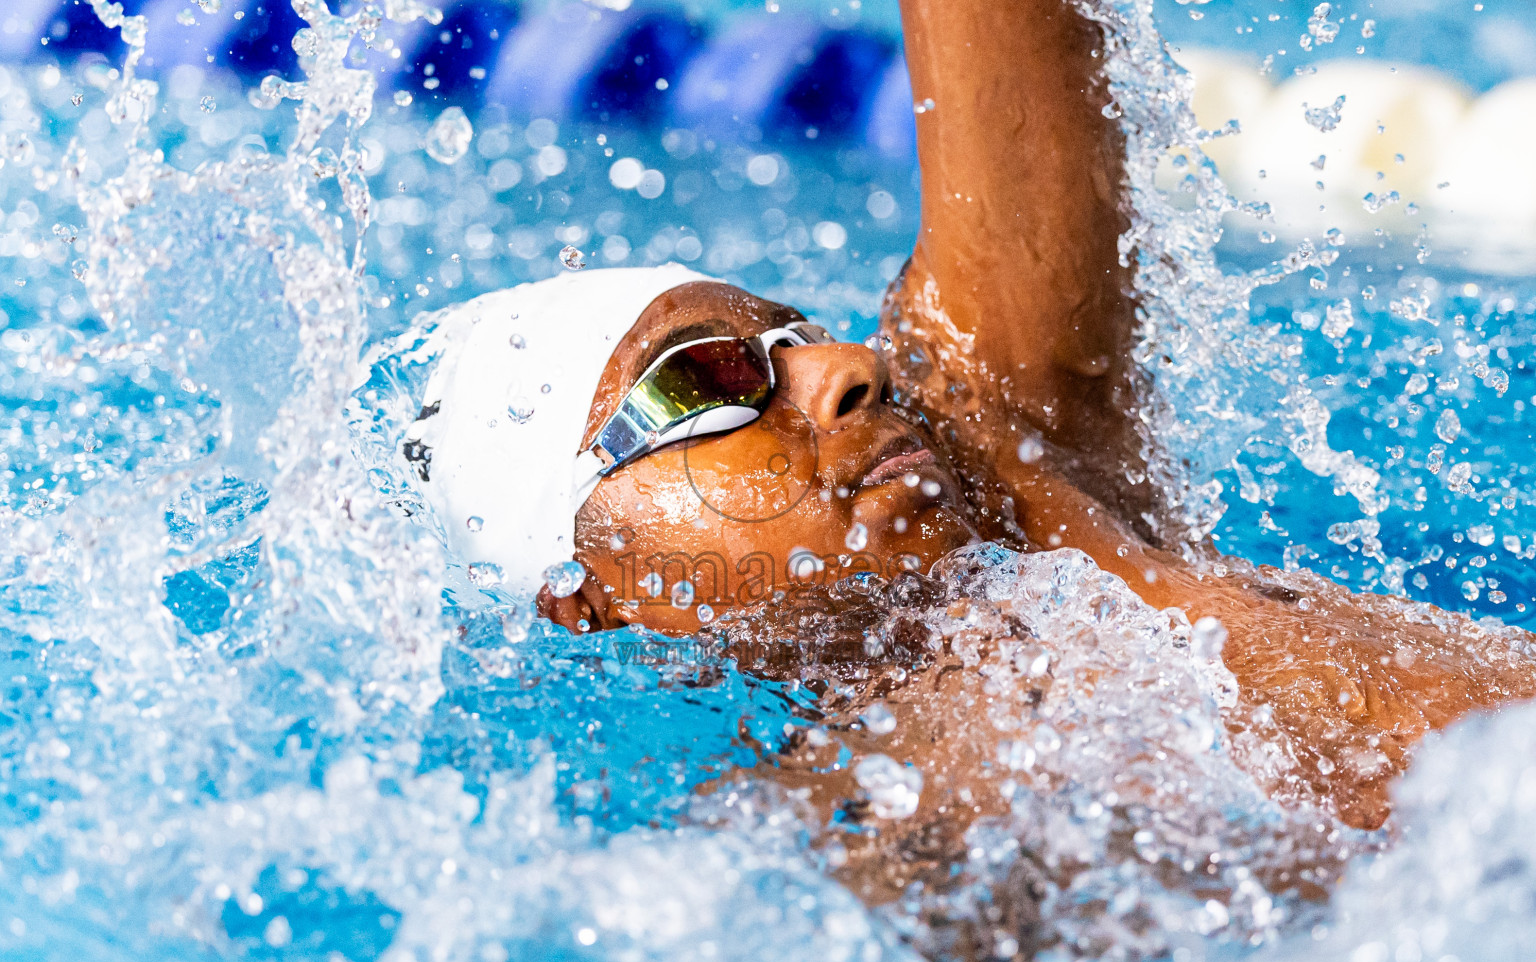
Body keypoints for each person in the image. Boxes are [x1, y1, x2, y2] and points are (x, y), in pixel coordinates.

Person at [401, 0, 1536, 839]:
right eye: (707, 380)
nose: (847, 368)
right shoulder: (830, 843)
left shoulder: (1011, 464)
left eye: (802, 339)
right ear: (586, 594)